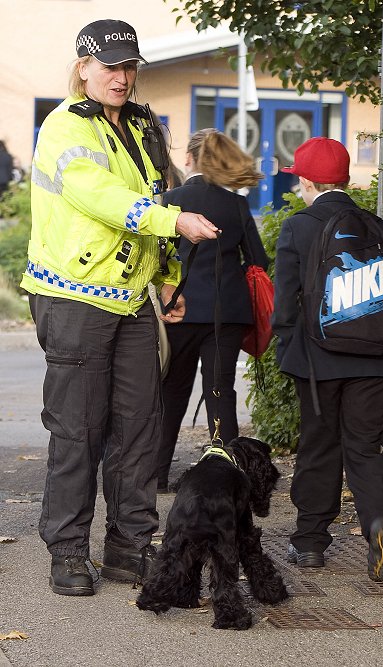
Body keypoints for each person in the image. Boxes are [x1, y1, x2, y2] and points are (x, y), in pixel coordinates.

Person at [20, 19, 219, 597]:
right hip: (71, 296)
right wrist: (171, 220)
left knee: (139, 429)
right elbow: (100, 197)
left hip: (131, 299)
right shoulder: (63, 127)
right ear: (83, 66)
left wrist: (167, 278)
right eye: (109, 65)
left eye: (129, 66)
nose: (121, 76)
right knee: (78, 431)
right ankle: (67, 549)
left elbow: (152, 196)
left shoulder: (140, 124)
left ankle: (131, 547)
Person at [272, 137, 383, 582]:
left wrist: (284, 346)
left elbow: (287, 303)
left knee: (320, 445)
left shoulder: (298, 226)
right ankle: (379, 525)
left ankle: (309, 544)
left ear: (308, 182)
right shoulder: (377, 226)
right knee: (365, 449)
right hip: (376, 358)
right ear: (346, 180)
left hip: (319, 362)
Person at [157, 128, 268, 492]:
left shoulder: (170, 199)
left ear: (188, 158)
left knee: (172, 391)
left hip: (180, 310)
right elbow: (257, 260)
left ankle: (157, 474)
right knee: (220, 391)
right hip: (228, 312)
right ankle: (232, 475)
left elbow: (157, 255)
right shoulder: (235, 204)